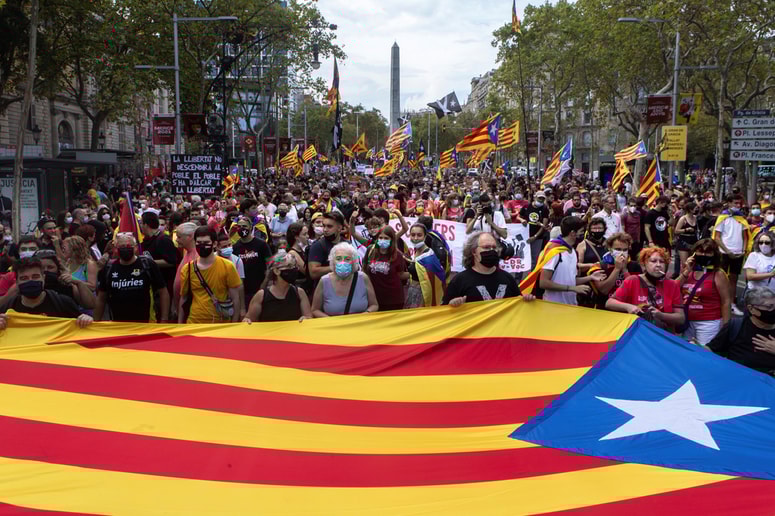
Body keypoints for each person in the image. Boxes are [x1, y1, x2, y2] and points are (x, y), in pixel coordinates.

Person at [443, 232, 535, 306]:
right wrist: (452, 305)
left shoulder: (507, 278)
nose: (491, 250)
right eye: (486, 247)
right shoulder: (459, 281)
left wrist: (527, 300)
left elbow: (518, 304)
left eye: (494, 247)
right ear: (474, 251)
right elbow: (445, 312)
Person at [94, 233, 170, 323]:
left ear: (136, 248)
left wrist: (164, 318)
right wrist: (96, 322)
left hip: (146, 323)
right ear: (115, 249)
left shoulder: (147, 265)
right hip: (118, 324)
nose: (125, 248)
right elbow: (101, 298)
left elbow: (163, 291)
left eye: (129, 245)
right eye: (122, 246)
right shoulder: (109, 268)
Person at [606, 246, 685, 332]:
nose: (658, 265)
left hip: (664, 336)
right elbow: (609, 303)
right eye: (653, 261)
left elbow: (681, 318)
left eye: (662, 262)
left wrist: (661, 315)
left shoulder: (672, 285)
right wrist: (628, 307)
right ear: (644, 263)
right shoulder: (633, 280)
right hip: (638, 335)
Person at [0, 257, 93, 328]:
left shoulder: (63, 303)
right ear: (17, 282)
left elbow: (82, 329)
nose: (30, 281)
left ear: (43, 278)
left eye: (35, 276)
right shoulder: (8, 308)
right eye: (24, 278)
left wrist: (87, 320)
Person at [179, 226, 242, 324]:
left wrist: (233, 324)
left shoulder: (228, 266)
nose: (202, 246)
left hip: (220, 324)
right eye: (198, 243)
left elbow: (235, 298)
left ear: (214, 244)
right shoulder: (187, 269)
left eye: (206, 243)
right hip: (194, 323)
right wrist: (180, 325)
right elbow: (183, 298)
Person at [708, 287, 775, 375]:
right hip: (738, 383)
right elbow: (712, 350)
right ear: (751, 309)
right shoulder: (736, 326)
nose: (773, 309)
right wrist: (695, 348)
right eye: (769, 307)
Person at [676, 239, 731, 345]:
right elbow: (673, 289)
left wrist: (726, 327)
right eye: (700, 251)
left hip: (708, 324)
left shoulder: (718, 274)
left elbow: (726, 302)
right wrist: (686, 271)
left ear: (714, 255)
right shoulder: (689, 271)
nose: (703, 254)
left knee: (704, 353)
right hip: (687, 322)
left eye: (708, 252)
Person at [539, 216, 604, 305]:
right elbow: (543, 283)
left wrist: (590, 277)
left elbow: (571, 280)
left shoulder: (572, 251)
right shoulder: (554, 252)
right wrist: (572, 288)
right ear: (573, 233)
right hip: (552, 306)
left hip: (571, 305)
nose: (583, 234)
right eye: (581, 232)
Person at [243, 251, 312, 323]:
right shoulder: (261, 296)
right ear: (276, 271)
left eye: (295, 266)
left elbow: (308, 317)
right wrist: (247, 320)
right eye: (289, 266)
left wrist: (306, 318)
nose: (293, 269)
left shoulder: (299, 293)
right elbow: (249, 319)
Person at [311, 242, 378, 317]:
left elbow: (374, 305)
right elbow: (315, 310)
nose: (342, 262)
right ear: (333, 261)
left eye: (347, 259)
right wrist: (332, 321)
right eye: (338, 259)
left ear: (353, 262)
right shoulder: (324, 281)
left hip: (359, 325)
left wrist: (365, 314)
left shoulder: (363, 278)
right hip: (334, 327)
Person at [713, 196, 750, 315]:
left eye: (740, 203)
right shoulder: (722, 217)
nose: (738, 205)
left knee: (734, 279)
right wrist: (727, 251)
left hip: (738, 254)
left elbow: (745, 237)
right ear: (728, 203)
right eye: (735, 202)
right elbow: (717, 237)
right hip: (724, 253)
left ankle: (732, 304)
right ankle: (719, 302)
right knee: (721, 278)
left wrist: (743, 250)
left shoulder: (741, 218)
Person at [587, 232, 641, 310]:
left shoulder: (635, 266)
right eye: (618, 249)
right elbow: (604, 290)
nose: (622, 253)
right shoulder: (599, 266)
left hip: (628, 310)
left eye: (625, 250)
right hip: (605, 311)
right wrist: (617, 269)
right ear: (610, 248)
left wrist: (625, 270)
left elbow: (636, 291)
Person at [364, 225, 408, 311]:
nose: (383, 240)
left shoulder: (397, 255)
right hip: (374, 298)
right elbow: (365, 269)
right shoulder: (370, 251)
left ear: (392, 240)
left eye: (386, 238)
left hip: (393, 300)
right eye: (380, 237)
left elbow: (401, 274)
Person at [233, 216, 272, 304]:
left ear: (250, 227)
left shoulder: (262, 244)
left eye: (244, 226)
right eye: (239, 227)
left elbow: (270, 265)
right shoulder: (235, 247)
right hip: (244, 292)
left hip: (261, 289)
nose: (242, 229)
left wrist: (264, 284)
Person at [140, 211, 179, 298]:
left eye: (141, 223)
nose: (140, 226)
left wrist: (149, 262)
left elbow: (171, 262)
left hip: (163, 287)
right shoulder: (146, 241)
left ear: (146, 225)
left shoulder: (163, 240)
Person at [216, 229, 247, 319]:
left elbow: (240, 286)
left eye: (229, 245)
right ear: (217, 247)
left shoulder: (237, 261)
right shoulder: (212, 259)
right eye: (224, 246)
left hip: (231, 301)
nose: (228, 248)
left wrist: (242, 308)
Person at [308, 211, 346, 281]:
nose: (325, 230)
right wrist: (336, 267)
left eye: (329, 226)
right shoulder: (318, 245)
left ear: (339, 228)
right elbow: (313, 273)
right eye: (324, 226)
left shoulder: (347, 244)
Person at [519, 191, 549, 269]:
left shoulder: (545, 208)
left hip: (537, 238)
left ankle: (531, 278)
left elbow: (544, 225)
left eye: (543, 198)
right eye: (539, 198)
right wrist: (521, 220)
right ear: (535, 197)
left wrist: (535, 237)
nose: (541, 200)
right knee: (522, 257)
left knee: (534, 259)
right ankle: (518, 279)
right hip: (525, 236)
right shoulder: (526, 206)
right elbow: (518, 216)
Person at [674, 202, 699, 275]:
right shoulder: (683, 218)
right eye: (695, 208)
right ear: (690, 210)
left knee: (692, 262)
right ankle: (683, 279)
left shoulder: (696, 218)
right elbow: (676, 231)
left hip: (693, 242)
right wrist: (686, 230)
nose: (697, 210)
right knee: (685, 264)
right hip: (683, 242)